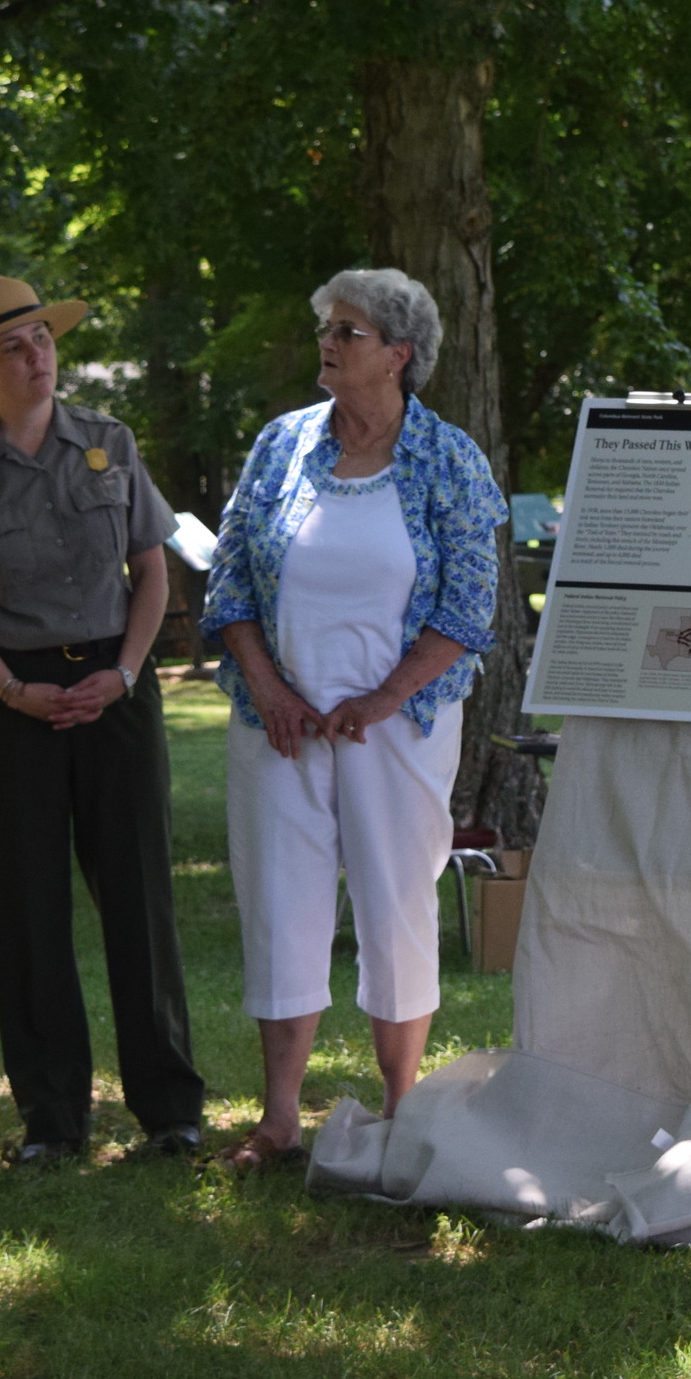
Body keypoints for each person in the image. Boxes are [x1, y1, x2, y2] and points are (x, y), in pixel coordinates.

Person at [0, 275, 207, 1168]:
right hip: (9, 704)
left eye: (43, 338)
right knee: (29, 912)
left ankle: (171, 1112)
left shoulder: (110, 445)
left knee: (140, 901)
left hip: (116, 686)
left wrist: (126, 673)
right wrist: (16, 694)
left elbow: (153, 572)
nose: (38, 356)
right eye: (15, 347)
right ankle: (53, 1122)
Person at [200, 268, 504, 1174]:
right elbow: (230, 582)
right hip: (278, 727)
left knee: (396, 908)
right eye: (327, 327)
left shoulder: (449, 459)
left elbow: (469, 607)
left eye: (351, 331)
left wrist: (382, 698)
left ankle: (404, 1112)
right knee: (281, 908)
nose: (329, 343)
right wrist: (274, 691)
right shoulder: (282, 445)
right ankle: (280, 1120)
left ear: (401, 356)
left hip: (398, 730)